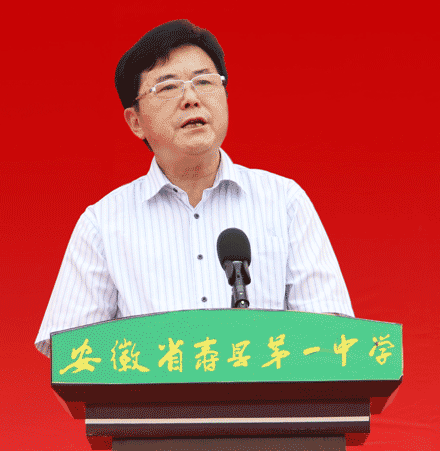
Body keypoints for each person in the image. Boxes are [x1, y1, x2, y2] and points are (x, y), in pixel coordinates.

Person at [35, 20, 354, 357]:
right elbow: (71, 355)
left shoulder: (285, 201)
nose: (191, 98)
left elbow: (332, 338)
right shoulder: (102, 224)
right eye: (168, 87)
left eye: (204, 81)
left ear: (225, 97)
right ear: (136, 122)